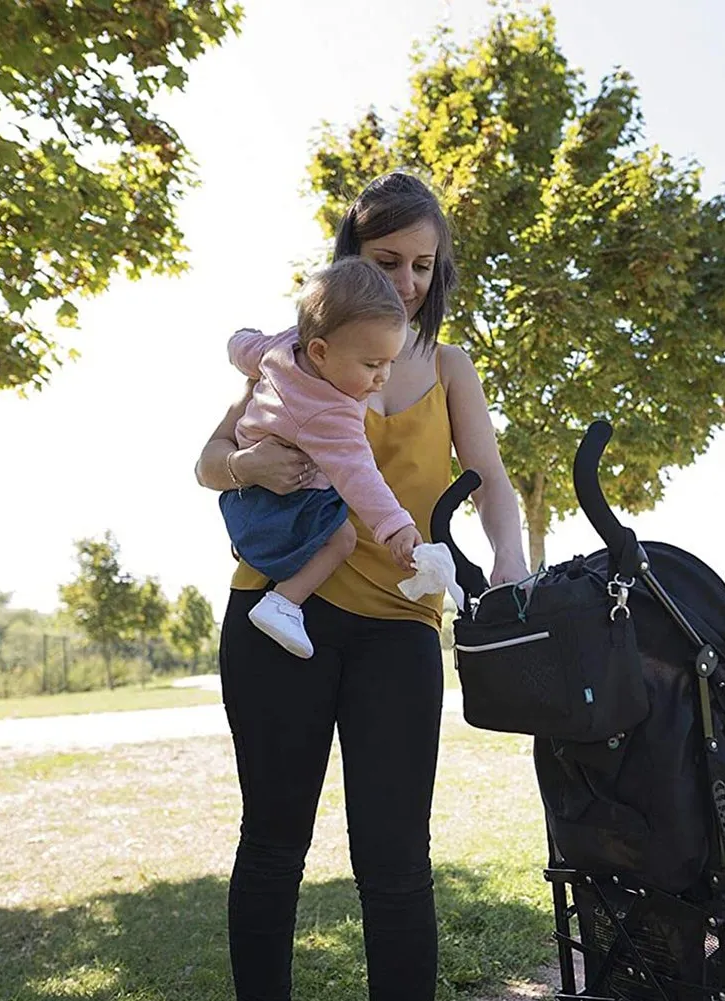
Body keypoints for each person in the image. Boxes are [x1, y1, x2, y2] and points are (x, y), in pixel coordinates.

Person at [194, 171, 530, 1001]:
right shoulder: (300, 348)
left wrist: (512, 568)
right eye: (388, 260)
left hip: (397, 631)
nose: (408, 282)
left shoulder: (448, 366)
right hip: (278, 614)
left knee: (395, 860)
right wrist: (249, 463)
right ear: (351, 257)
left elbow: (490, 481)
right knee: (272, 845)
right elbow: (208, 463)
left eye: (424, 264)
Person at [220, 257, 422, 659]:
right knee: (343, 536)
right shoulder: (330, 412)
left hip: (243, 499)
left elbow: (243, 347)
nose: (382, 377)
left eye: (389, 363)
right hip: (279, 505)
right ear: (321, 351)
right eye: (371, 364)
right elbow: (359, 476)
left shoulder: (281, 345)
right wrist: (396, 527)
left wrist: (237, 336)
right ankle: (284, 603)